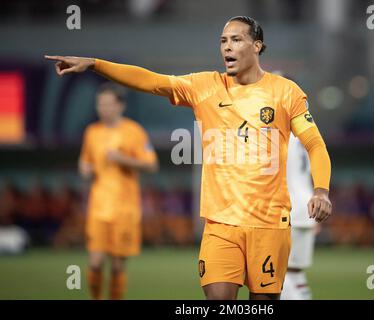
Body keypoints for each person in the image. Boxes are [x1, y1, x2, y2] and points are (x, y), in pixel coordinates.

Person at [45, 15, 332, 300]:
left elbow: (314, 144)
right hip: (220, 225)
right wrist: (96, 65)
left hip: (269, 224)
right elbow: (152, 81)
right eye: (223, 41)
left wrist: (321, 190)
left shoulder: (285, 92)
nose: (227, 47)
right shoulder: (204, 86)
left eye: (236, 40)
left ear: (256, 46)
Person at [79, 82, 159, 300]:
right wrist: (85, 169)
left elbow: (152, 165)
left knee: (116, 267)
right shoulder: (91, 132)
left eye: (108, 104)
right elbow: (85, 162)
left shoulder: (134, 131)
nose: (103, 108)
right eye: (100, 104)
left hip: (126, 209)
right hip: (98, 208)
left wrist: (122, 159)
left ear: (120, 106)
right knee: (95, 263)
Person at [281, 133, 318, 300]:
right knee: (295, 272)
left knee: (277, 273)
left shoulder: (279, 131)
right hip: (307, 206)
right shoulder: (305, 134)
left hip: (288, 209)